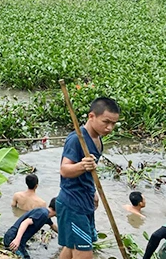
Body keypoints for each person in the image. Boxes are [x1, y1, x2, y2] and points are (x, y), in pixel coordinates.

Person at [57, 97, 120, 259]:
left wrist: (93, 191)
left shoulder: (98, 139)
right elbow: (64, 170)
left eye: (113, 123)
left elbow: (87, 174)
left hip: (85, 201)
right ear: (91, 116)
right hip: (72, 204)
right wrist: (81, 166)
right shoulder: (76, 139)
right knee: (84, 254)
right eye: (106, 122)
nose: (109, 127)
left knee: (70, 248)